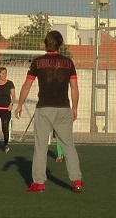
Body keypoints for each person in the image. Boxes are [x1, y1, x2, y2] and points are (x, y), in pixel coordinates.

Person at [15, 30, 82, 193]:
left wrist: (19, 104)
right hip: (63, 108)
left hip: (44, 108)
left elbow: (27, 85)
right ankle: (77, 181)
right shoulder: (69, 63)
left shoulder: (37, 62)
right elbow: (74, 87)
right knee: (68, 146)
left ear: (46, 44)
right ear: (60, 44)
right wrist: (74, 107)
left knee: (40, 146)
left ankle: (38, 183)